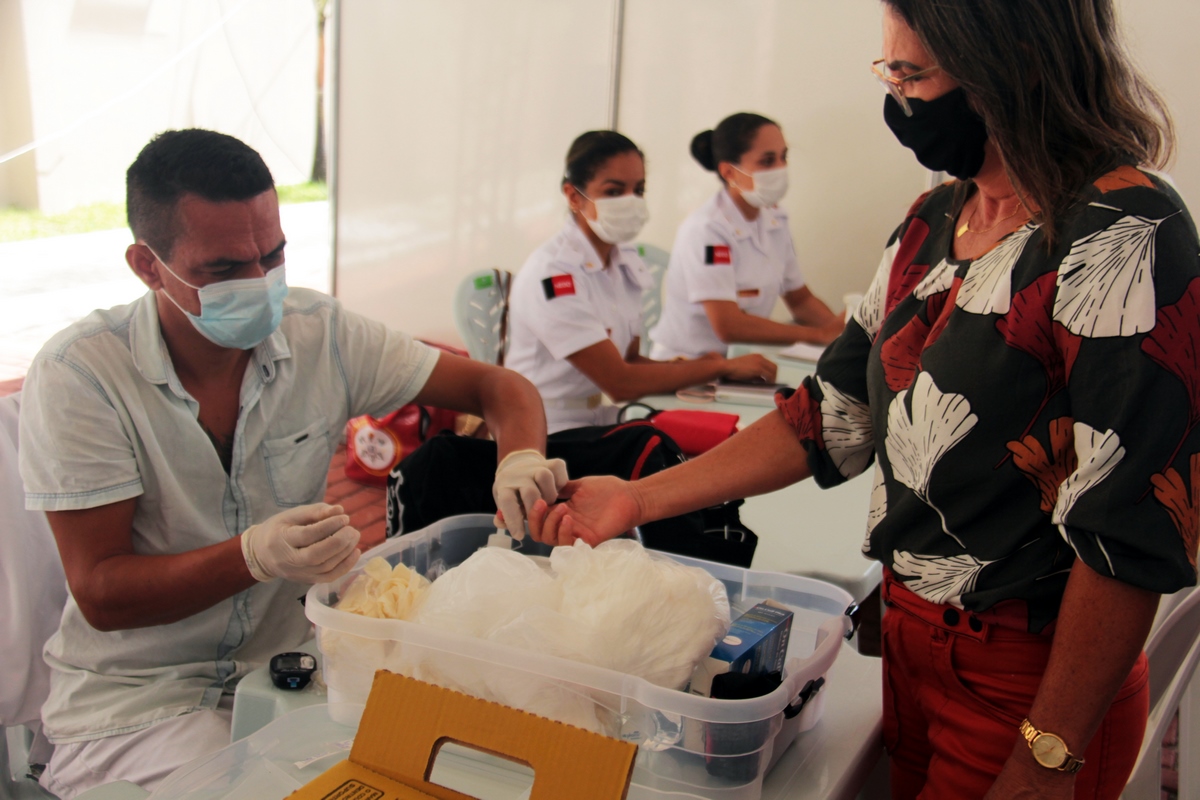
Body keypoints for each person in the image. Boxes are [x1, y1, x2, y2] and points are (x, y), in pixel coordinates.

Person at [530, 1, 1200, 797]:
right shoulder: (933, 220)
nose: (899, 98)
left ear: (1015, 65)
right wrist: (634, 500)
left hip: (1033, 681)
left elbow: (1131, 532)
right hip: (911, 650)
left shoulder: (1121, 233)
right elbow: (826, 415)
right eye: (889, 71)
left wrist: (1047, 754)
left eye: (913, 74)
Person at [17, 129, 564, 798]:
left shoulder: (319, 333)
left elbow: (499, 390)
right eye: (223, 269)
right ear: (147, 264)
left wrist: (520, 459)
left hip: (294, 674)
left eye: (272, 255)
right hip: (139, 704)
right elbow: (102, 593)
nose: (259, 283)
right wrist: (252, 556)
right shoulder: (83, 375)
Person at [506, 130, 777, 433]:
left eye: (638, 190)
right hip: (545, 429)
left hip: (600, 417)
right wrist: (718, 366)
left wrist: (701, 369)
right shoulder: (554, 273)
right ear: (573, 196)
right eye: (613, 191)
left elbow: (630, 360)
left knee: (723, 438)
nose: (630, 201)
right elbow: (620, 382)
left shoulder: (622, 263)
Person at [648, 113, 844, 361]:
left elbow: (800, 299)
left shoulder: (775, 220)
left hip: (737, 364)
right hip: (686, 366)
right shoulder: (708, 230)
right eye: (767, 161)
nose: (780, 168)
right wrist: (818, 335)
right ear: (729, 172)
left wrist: (844, 335)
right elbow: (728, 325)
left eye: (783, 157)